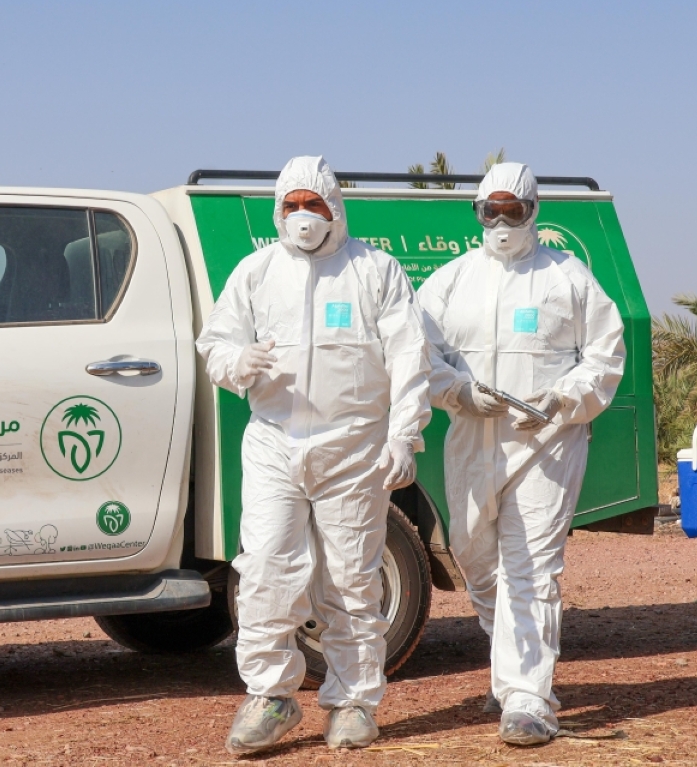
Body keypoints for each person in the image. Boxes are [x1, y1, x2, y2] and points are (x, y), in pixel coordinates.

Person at [196, 156, 431, 754]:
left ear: (335, 208)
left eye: (314, 203)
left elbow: (410, 356)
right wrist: (237, 361)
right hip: (274, 442)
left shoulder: (374, 270)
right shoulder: (256, 272)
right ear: (278, 211)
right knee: (265, 569)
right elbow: (215, 342)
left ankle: (353, 702)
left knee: (351, 578)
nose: (303, 215)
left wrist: (403, 434)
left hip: (353, 446)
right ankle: (270, 696)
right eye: (292, 205)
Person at [417, 162, 625, 745]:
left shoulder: (567, 276)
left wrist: (563, 398)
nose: (503, 221)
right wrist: (457, 391)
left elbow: (605, 354)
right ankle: (509, 662)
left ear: (534, 210)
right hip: (472, 439)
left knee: (530, 566)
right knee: (473, 555)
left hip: (547, 442)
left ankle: (529, 697)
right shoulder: (450, 282)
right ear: (478, 213)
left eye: (515, 209)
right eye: (493, 210)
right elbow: (419, 353)